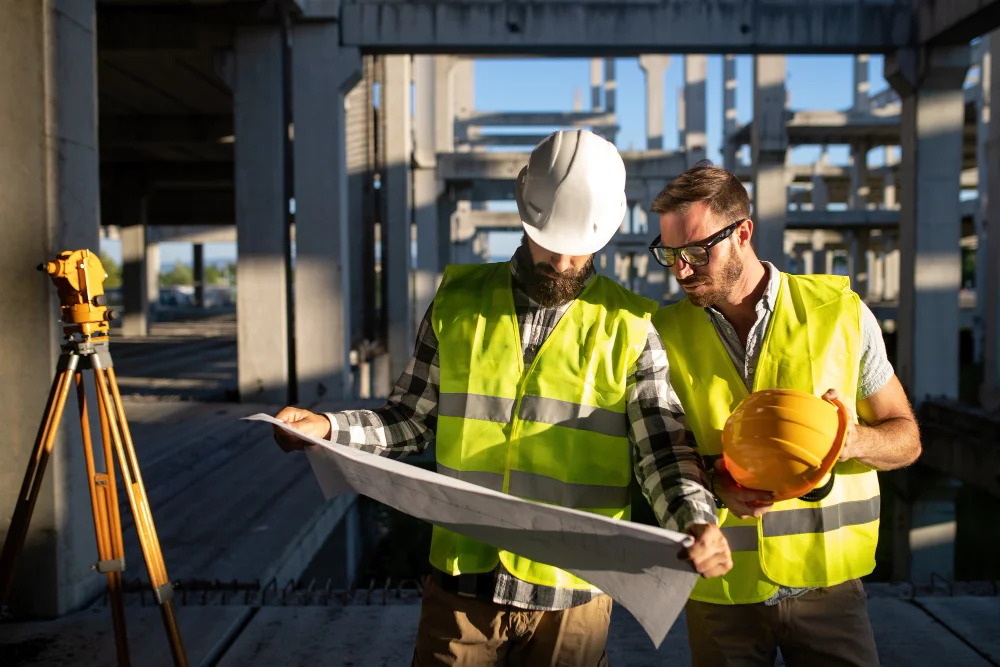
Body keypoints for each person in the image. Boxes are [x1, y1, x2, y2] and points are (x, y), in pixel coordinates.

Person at [271, 130, 732, 666]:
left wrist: (696, 520)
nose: (562, 262)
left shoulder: (631, 326)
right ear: (524, 214)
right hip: (463, 588)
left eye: (577, 247)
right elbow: (409, 420)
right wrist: (328, 429)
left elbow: (662, 452)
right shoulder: (458, 301)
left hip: (574, 596)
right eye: (550, 240)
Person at [647, 160, 922, 667]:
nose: (681, 269)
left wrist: (851, 440)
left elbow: (906, 438)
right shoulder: (659, 335)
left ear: (743, 233)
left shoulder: (839, 311)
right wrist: (713, 481)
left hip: (828, 588)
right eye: (669, 254)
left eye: (694, 251)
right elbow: (653, 456)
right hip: (721, 592)